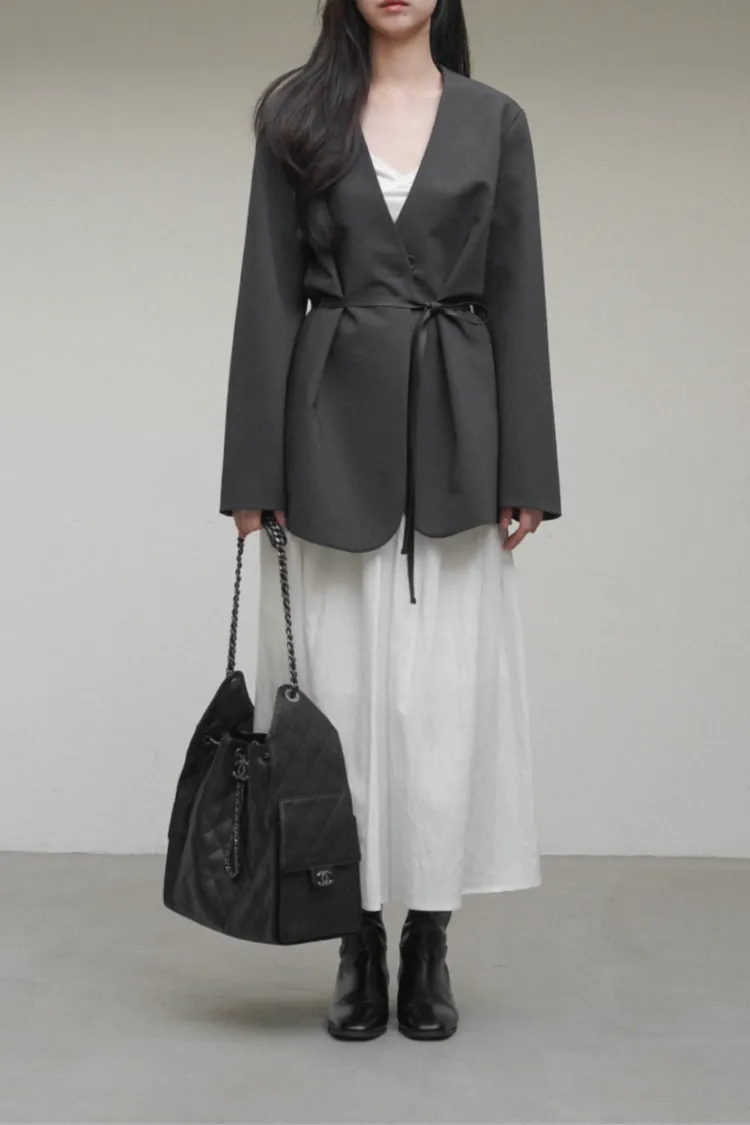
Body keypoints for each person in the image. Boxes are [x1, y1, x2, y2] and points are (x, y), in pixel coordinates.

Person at [219, 0, 561, 1042]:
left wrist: (527, 468)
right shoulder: (297, 113)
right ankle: (356, 939)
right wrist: (254, 470)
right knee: (340, 696)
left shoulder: (495, 120)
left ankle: (429, 941)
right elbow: (268, 292)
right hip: (328, 434)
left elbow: (518, 295)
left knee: (441, 700)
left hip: (460, 432)